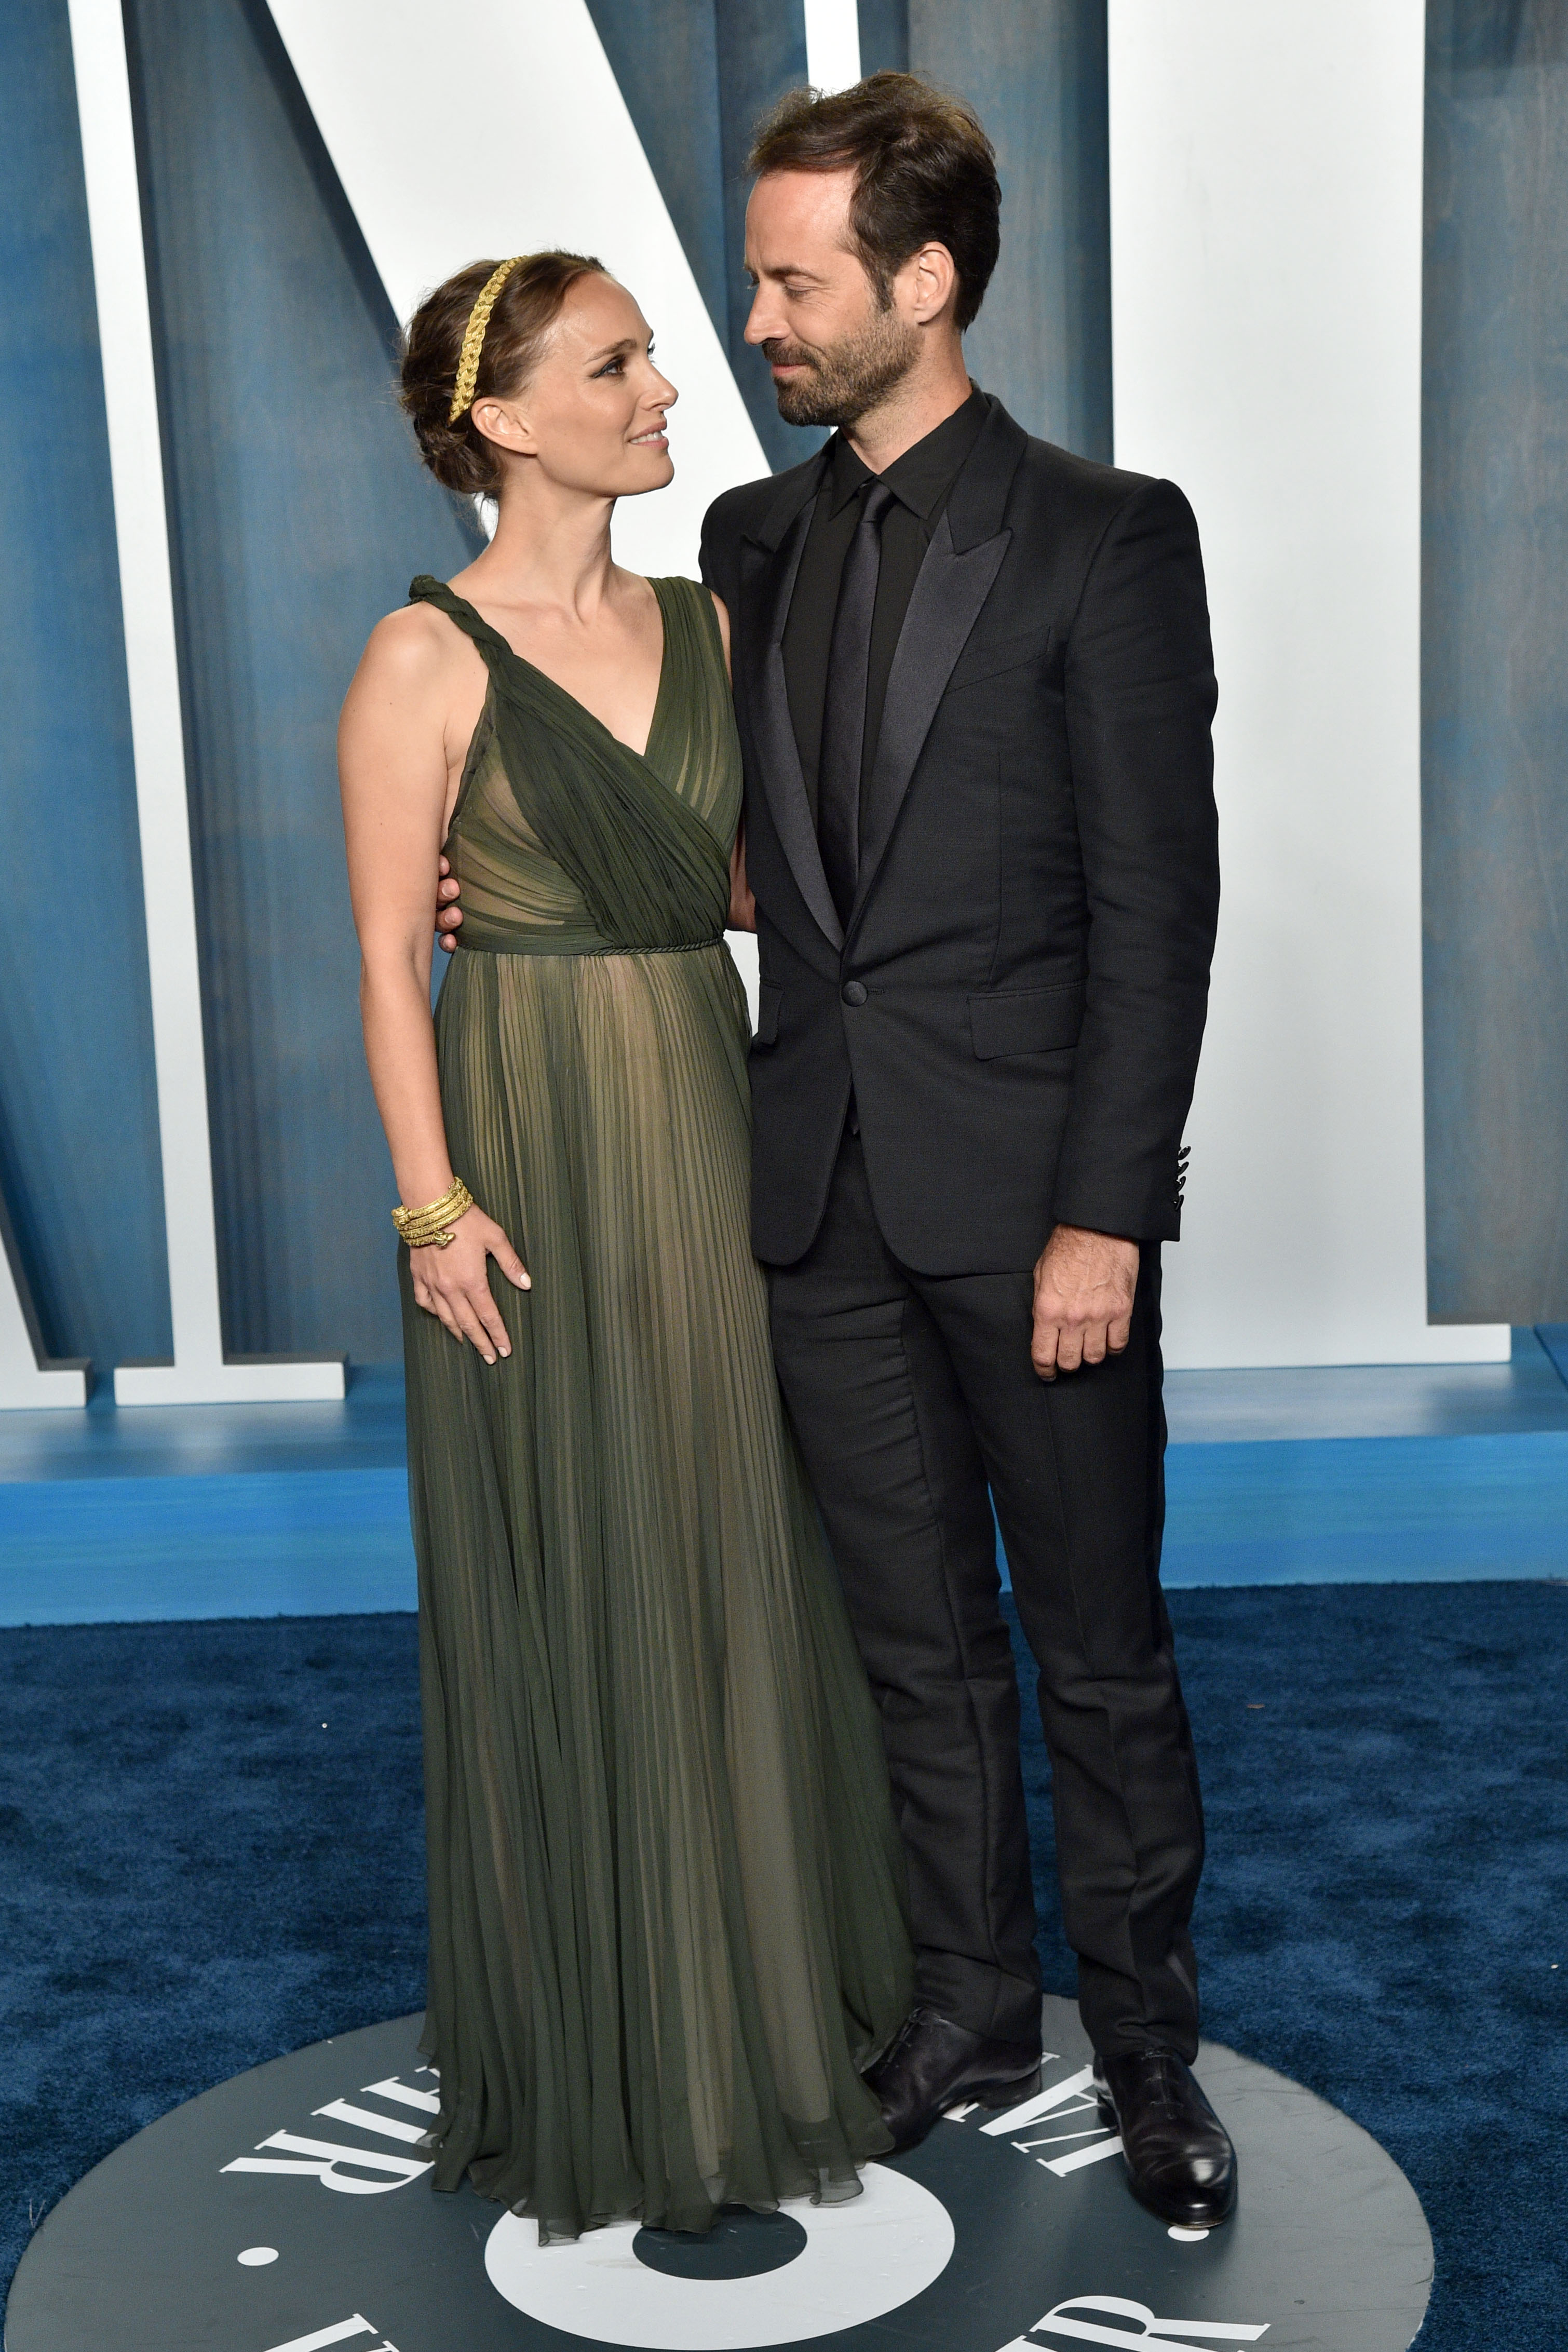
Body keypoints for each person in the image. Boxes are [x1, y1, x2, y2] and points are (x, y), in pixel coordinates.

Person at [442, 73, 1234, 2232]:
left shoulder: (1103, 532)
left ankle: (1146, 2051)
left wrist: (1107, 1207)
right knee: (908, 1642)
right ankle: (970, 2009)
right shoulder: (753, 540)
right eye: (753, 273)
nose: (753, 317)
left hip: (1032, 1210)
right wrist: (524, 884)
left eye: (793, 280)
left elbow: (1155, 909)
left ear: (922, 281)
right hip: (810, 1198)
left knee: (1093, 1646)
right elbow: (790, 874)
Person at [339, 249, 913, 2247]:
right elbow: (390, 970)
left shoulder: (709, 619)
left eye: (655, 354)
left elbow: (750, 883)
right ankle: (616, 2047)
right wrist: (434, 1204)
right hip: (522, 1153)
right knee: (572, 1560)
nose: (668, 384)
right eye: (617, 363)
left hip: (702, 1099)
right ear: (503, 421)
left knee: (733, 1553)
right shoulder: (420, 659)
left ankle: (758, 2015)